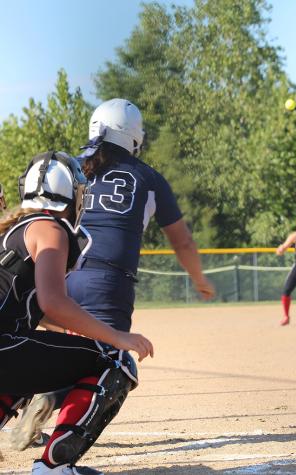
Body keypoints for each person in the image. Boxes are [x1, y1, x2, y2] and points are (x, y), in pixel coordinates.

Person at [11, 98, 215, 451]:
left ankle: (30, 394)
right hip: (108, 282)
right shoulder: (148, 177)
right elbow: (182, 242)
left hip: (56, 273)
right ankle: (56, 425)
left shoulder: (72, 169)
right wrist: (199, 280)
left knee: (44, 346)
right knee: (109, 360)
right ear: (134, 137)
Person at [0, 151, 153, 474]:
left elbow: (28, 306)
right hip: (5, 346)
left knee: (28, 361)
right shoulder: (50, 228)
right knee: (112, 359)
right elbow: (53, 301)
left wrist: (71, 329)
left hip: (6, 344)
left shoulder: (13, 232)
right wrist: (117, 336)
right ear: (71, 194)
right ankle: (54, 466)